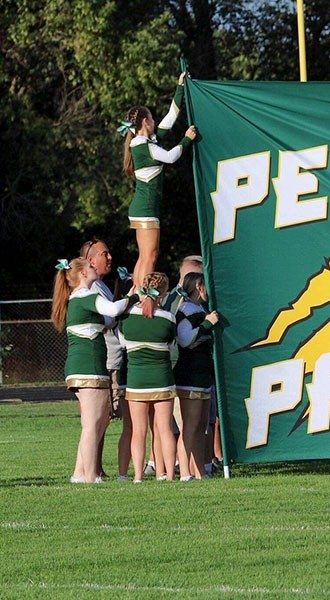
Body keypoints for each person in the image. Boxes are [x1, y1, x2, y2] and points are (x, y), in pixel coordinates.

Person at [51, 258, 137, 483]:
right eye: (90, 266)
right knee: (93, 423)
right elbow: (114, 308)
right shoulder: (85, 296)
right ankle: (90, 476)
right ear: (81, 274)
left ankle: (80, 473)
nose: (94, 268)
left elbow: (109, 320)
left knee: (97, 422)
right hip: (87, 366)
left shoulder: (82, 299)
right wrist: (135, 296)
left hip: (89, 364)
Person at [120, 72, 197, 314]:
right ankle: (144, 298)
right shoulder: (144, 147)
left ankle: (136, 293)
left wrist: (180, 87)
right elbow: (171, 156)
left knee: (146, 255)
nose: (154, 120)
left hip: (144, 207)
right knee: (150, 256)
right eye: (151, 118)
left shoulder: (145, 141)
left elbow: (170, 118)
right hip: (145, 208)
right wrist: (187, 140)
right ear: (144, 121)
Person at [120, 272, 178, 482]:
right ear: (162, 293)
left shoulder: (126, 317)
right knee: (164, 429)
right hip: (162, 378)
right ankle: (169, 475)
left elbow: (122, 342)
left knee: (138, 430)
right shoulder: (168, 318)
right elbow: (172, 344)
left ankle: (137, 476)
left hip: (136, 380)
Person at [79, 238, 129, 480]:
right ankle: (92, 470)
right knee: (99, 420)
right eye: (104, 254)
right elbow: (110, 317)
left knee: (101, 420)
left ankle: (93, 469)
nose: (109, 257)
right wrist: (133, 296)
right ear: (90, 260)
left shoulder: (101, 285)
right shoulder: (93, 287)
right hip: (106, 361)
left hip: (109, 359)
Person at [174, 272, 220, 480]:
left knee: (201, 426)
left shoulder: (201, 309)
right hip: (189, 374)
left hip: (203, 374)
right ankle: (185, 471)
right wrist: (207, 324)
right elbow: (185, 340)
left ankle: (200, 470)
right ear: (199, 286)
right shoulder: (185, 310)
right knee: (190, 426)